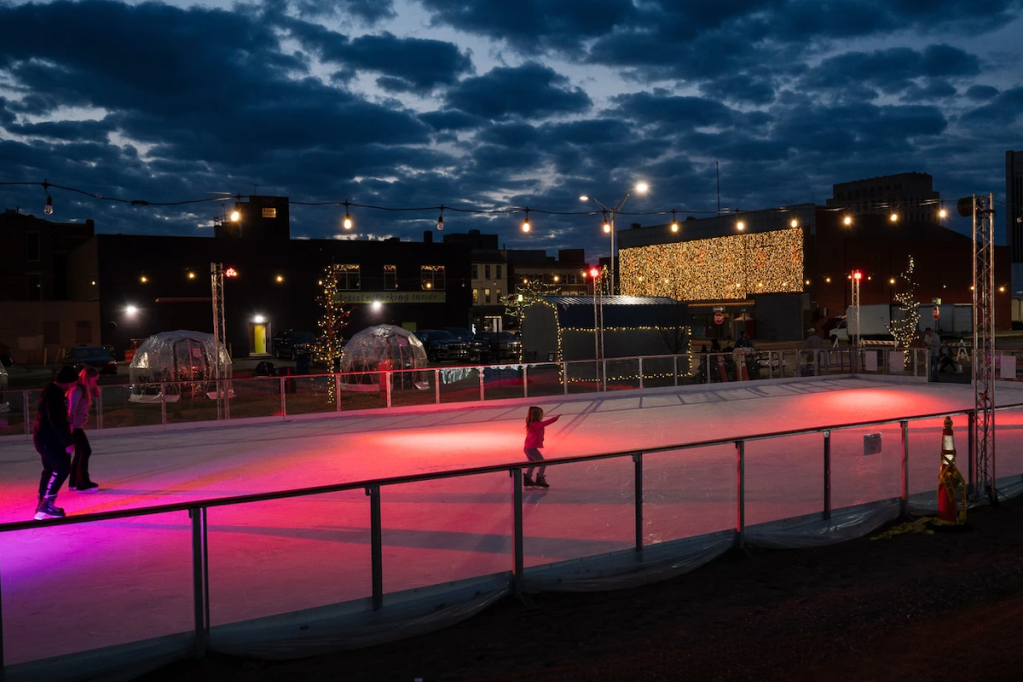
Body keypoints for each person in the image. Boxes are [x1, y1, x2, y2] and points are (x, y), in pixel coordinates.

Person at [33, 366, 79, 519]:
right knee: (62, 468)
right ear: (67, 382)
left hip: (46, 438)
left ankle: (43, 504)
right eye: (73, 382)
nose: (74, 386)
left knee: (49, 469)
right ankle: (47, 502)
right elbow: (56, 420)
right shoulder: (54, 395)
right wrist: (67, 442)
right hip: (49, 439)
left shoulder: (54, 393)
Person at [68, 366, 100, 493]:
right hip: (73, 427)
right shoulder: (77, 390)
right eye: (94, 379)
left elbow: (97, 394)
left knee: (80, 453)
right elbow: (71, 410)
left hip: (76, 426)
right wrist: (70, 428)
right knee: (85, 451)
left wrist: (94, 385)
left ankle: (74, 482)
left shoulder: (83, 389)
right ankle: (83, 483)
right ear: (88, 378)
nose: (95, 382)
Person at [523, 406, 560, 489]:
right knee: (542, 463)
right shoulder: (536, 424)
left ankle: (527, 479)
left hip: (527, 447)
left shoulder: (532, 423)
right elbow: (544, 423)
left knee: (532, 463)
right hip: (531, 448)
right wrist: (555, 418)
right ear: (537, 416)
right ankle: (540, 479)